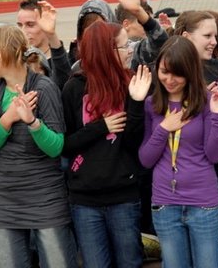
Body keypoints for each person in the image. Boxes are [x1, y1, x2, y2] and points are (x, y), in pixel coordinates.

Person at [0, 26, 76, 268]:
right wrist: (8, 118)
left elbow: (56, 147)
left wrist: (33, 123)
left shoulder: (43, 87)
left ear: (3, 53)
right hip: (5, 198)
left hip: (45, 196)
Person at [61, 20, 152, 267]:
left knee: (129, 261)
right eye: (124, 46)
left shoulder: (133, 84)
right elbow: (65, 145)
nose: (130, 50)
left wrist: (136, 102)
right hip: (85, 200)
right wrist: (101, 127)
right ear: (106, 52)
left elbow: (135, 143)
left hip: (124, 195)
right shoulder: (74, 88)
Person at [139, 35, 218, 268]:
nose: (169, 80)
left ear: (190, 72)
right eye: (164, 72)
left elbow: (215, 155)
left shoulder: (207, 101)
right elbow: (146, 159)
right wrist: (163, 129)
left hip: (203, 203)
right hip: (165, 203)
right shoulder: (152, 104)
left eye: (177, 74)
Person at [174, 10, 218, 267]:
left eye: (216, 36)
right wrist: (198, 104)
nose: (214, 42)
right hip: (188, 181)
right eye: (207, 36)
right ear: (186, 37)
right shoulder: (169, 73)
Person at [16, 0, 72, 89]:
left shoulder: (65, 59)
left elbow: (64, 84)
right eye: (20, 25)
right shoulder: (15, 60)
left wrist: (51, 35)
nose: (23, 31)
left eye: (30, 25)